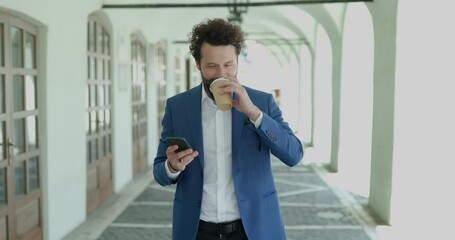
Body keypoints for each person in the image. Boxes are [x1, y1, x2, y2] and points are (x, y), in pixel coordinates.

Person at [153, 18, 304, 240]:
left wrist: (253, 113)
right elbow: (159, 172)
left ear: (237, 62)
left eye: (229, 65)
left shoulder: (261, 102)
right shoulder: (178, 107)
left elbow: (294, 155)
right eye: (212, 66)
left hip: (253, 229)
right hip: (198, 230)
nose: (222, 73)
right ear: (198, 64)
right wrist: (171, 167)